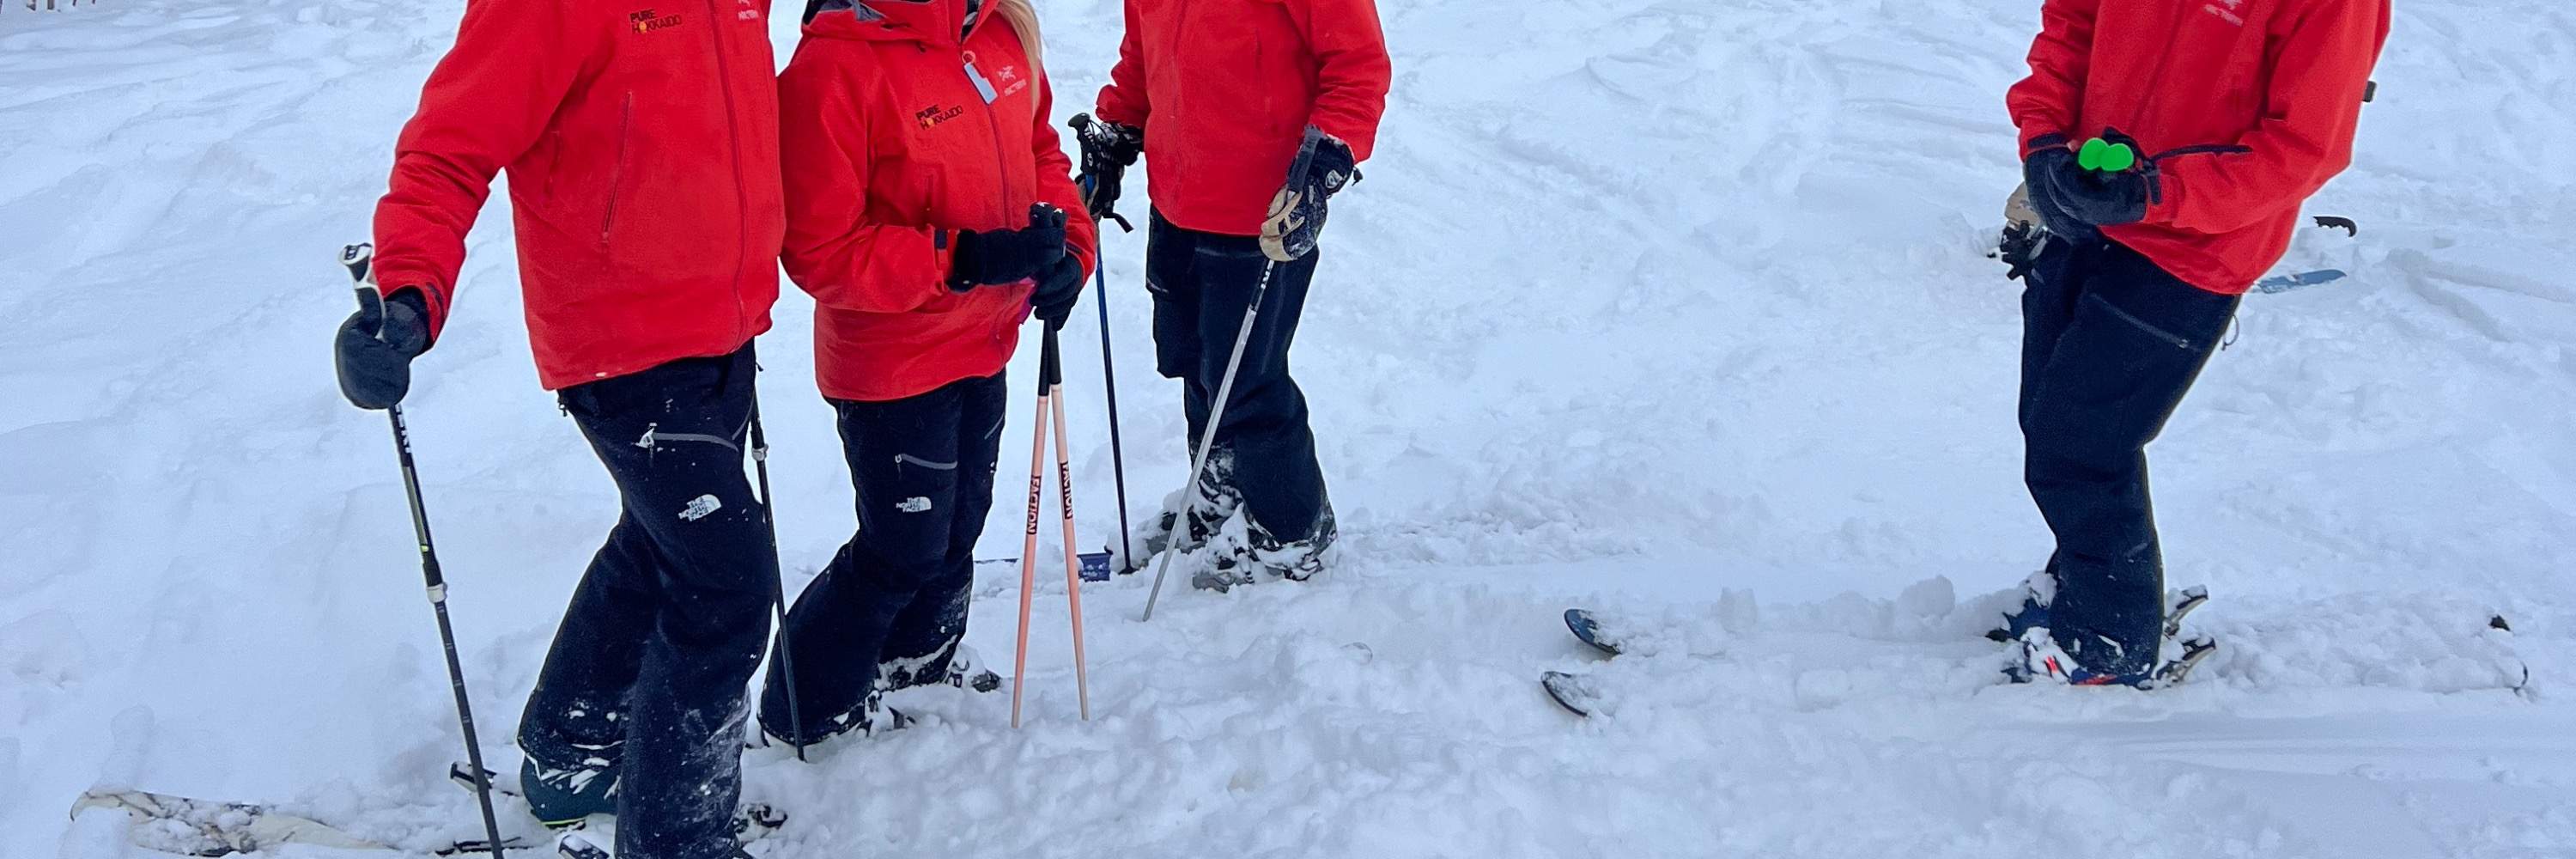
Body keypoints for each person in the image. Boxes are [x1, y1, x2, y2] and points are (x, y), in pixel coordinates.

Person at [329, 0, 786, 853]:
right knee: (726, 585)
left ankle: (570, 747)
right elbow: (447, 147)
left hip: (725, 329)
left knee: (661, 547)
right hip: (623, 343)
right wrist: (408, 292)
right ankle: (675, 841)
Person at [2001, 0, 2389, 685]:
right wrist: (2044, 141)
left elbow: (2304, 145)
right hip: (2086, 210)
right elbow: (2071, 26)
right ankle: (2093, 592)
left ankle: (2106, 645)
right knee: (2049, 422)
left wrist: (2158, 192)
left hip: (2195, 251)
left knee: (2084, 443)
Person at [756, 0, 1094, 746]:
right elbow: (820, 247)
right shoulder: (832, 67)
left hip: (987, 339)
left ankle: (919, 664)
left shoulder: (999, 30)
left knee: (960, 526)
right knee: (899, 550)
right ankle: (803, 712)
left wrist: (1070, 243)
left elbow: (1041, 153)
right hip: (893, 362)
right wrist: (960, 259)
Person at [1077, 0, 1391, 590]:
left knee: (1245, 383)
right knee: (1189, 358)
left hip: (1264, 213)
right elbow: (1144, 55)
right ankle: (1220, 484)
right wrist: (1118, 127)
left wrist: (1326, 159)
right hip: (1176, 198)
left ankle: (1293, 533)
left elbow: (1358, 65)